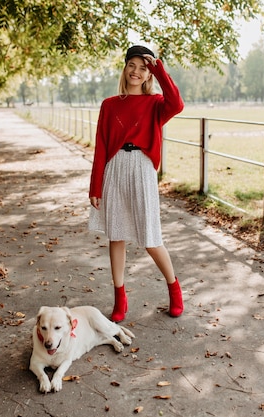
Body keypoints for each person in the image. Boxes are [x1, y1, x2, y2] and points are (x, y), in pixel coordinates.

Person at [88, 45, 185, 322]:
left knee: (150, 237)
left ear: (148, 73)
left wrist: (159, 68)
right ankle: (120, 298)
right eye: (132, 65)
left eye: (143, 68)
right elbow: (101, 147)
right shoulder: (109, 105)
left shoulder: (155, 104)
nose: (136, 71)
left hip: (142, 169)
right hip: (114, 168)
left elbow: (177, 103)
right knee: (115, 235)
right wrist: (95, 186)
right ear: (125, 67)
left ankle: (174, 289)